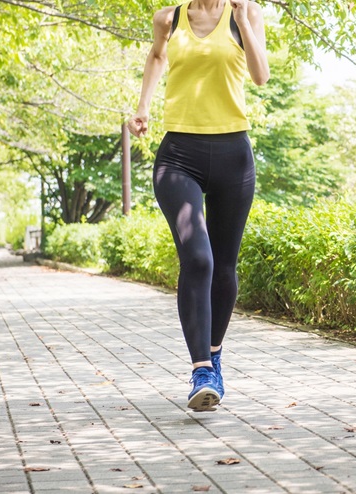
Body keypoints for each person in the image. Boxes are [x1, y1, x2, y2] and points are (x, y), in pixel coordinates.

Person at [127, 0, 269, 412]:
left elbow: (261, 76)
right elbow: (156, 57)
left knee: (224, 265)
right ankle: (202, 370)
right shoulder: (168, 19)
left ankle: (215, 351)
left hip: (234, 154)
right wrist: (143, 108)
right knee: (199, 259)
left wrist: (242, 21)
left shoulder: (248, 13)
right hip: (178, 155)